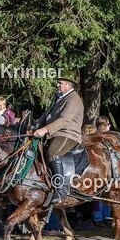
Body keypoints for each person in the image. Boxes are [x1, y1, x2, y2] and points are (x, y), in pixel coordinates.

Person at [34, 72, 84, 204]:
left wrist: (44, 130)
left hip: (68, 134)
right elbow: (46, 116)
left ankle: (61, 190)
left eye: (60, 83)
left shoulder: (74, 99)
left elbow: (65, 119)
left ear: (69, 85)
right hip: (54, 133)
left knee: (53, 153)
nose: (57, 85)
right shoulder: (58, 98)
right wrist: (35, 127)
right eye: (58, 83)